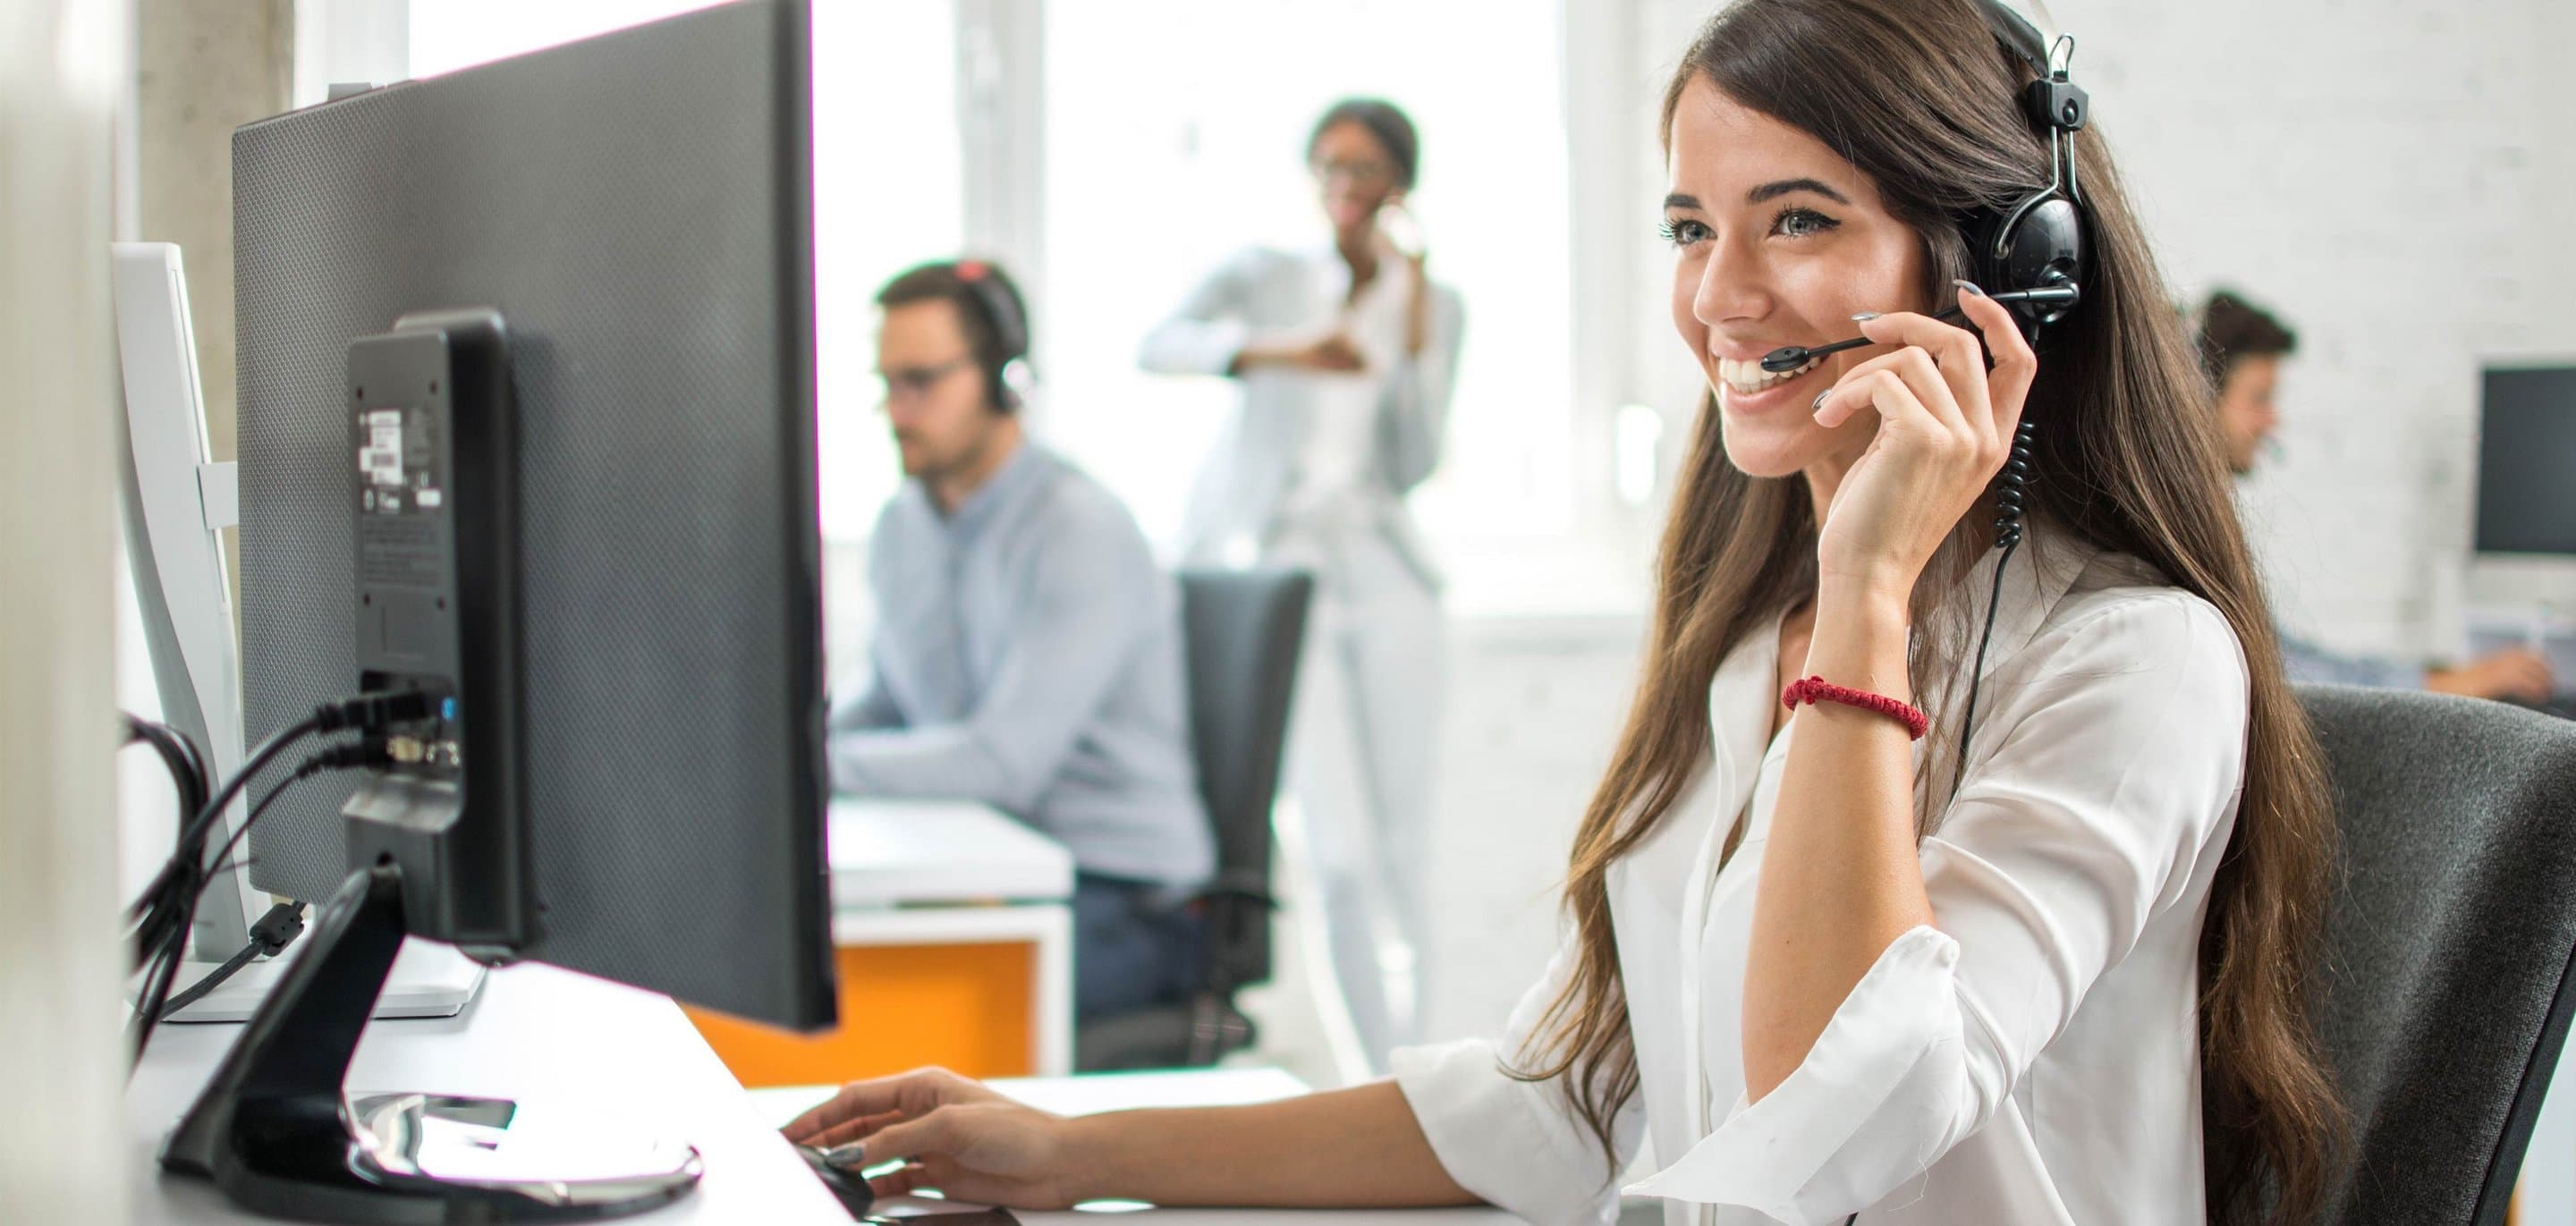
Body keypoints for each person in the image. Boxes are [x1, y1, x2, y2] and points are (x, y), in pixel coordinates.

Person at [786, 4, 2342, 1223]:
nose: (1719, 297)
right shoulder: (1749, 647)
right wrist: (1064, 1151)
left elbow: (1837, 1126)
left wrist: (1868, 592)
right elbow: (1564, 1100)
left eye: (1796, 220)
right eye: (1688, 227)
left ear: (2011, 271)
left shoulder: (2135, 662)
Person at [1138, 97, 1466, 1068]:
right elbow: (1156, 344)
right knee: (1339, 855)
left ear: (1399, 184)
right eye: (1327, 165)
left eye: (1363, 169)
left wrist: (1412, 332)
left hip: (1384, 568)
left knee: (1407, 850)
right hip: (1281, 570)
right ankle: (1376, 1079)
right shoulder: (1266, 277)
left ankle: (1426, 1069)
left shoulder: (1432, 301)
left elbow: (1413, 461)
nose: (1343, 187)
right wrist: (1281, 351)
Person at [829, 259, 1212, 1024]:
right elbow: (893, 701)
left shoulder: (1078, 528)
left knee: (877, 1007)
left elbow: (1003, 763)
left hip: (1124, 898)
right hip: (992, 867)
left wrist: (811, 771)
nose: (898, 411)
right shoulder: (903, 524)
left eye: (921, 381)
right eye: (887, 384)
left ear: (1005, 379)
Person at [2197, 289, 2557, 702]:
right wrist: (2458, 685)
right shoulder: (2192, 531)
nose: (2272, 420)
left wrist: (2441, 678)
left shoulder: (2208, 519)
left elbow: (2291, 659)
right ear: (2199, 400)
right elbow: (2299, 684)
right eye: (2259, 398)